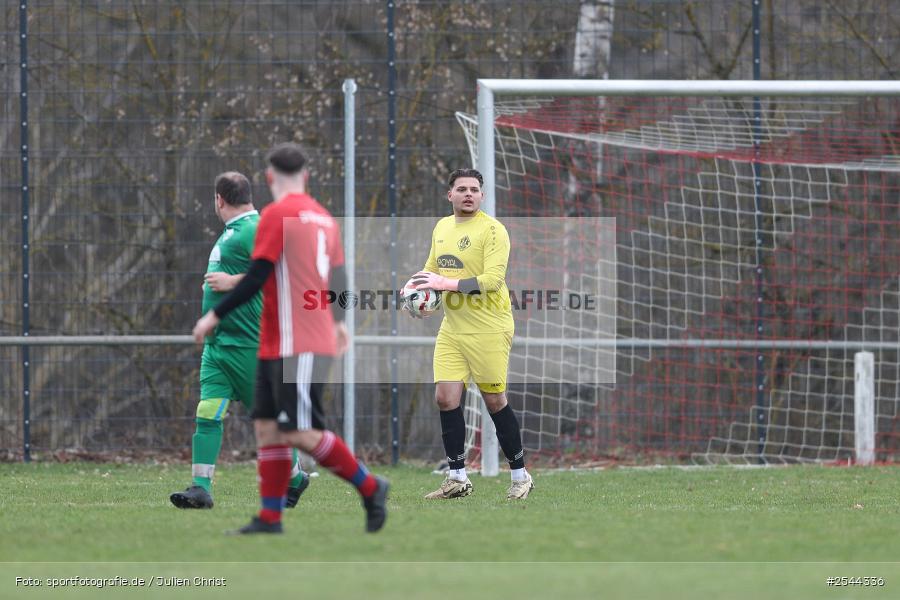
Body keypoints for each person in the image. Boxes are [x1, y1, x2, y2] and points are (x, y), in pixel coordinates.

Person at [192, 143, 388, 534]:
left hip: (300, 342)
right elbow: (340, 278)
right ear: (306, 176)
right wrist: (340, 322)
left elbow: (257, 276)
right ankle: (270, 518)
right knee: (267, 428)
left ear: (269, 177)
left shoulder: (276, 215)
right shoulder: (323, 218)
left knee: (299, 432)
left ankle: (370, 486)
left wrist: (214, 314)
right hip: (277, 342)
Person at [170, 171, 310, 510]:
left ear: (219, 199)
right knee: (208, 411)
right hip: (219, 346)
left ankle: (295, 478)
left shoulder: (254, 228)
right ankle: (200, 488)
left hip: (251, 345)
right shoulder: (233, 231)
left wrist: (231, 281)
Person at [408, 168, 533, 500]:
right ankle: (457, 477)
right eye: (461, 189)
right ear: (449, 194)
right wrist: (419, 298)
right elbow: (431, 271)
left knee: (494, 401)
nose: (468, 194)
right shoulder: (442, 227)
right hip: (453, 328)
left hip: (489, 328)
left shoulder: (493, 231)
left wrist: (444, 284)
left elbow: (492, 280)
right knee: (445, 397)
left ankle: (520, 476)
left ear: (482, 195)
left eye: (474, 189)